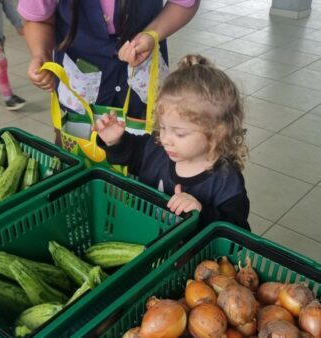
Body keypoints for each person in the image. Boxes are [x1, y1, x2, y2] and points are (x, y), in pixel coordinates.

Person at [95, 54, 251, 231]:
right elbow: (127, 155)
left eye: (180, 133)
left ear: (217, 133)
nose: (166, 139)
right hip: (143, 236)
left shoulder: (226, 181)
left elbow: (237, 230)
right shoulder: (156, 149)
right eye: (162, 127)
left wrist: (201, 212)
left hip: (191, 255)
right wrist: (115, 141)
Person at [18, 0, 199, 120]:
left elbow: (184, 3)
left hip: (143, 72)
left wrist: (152, 34)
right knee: (79, 151)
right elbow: (38, 20)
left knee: (147, 154)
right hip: (80, 75)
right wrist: (41, 55)